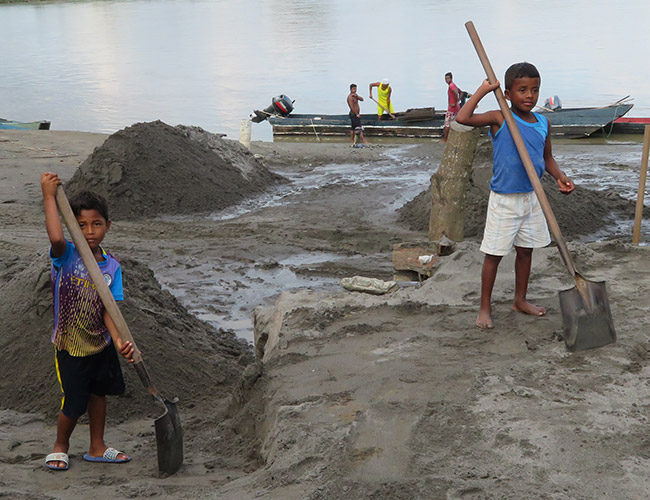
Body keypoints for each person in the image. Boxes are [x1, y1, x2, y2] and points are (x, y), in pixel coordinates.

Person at [455, 62, 575, 330]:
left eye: (534, 89)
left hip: (532, 197)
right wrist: (482, 91)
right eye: (522, 90)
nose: (529, 96)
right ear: (508, 94)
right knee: (494, 254)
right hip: (505, 199)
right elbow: (462, 119)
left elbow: (547, 158)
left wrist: (560, 176)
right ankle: (484, 307)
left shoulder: (544, 122)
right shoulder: (500, 118)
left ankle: (519, 300)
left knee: (525, 250)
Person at [41, 172, 135, 471]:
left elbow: (110, 308)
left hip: (101, 344)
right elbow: (55, 236)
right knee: (75, 402)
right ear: (72, 227)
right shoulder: (66, 255)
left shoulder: (112, 266)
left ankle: (97, 446)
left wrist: (119, 341)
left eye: (96, 224)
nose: (90, 231)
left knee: (99, 395)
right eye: (81, 225)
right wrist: (48, 196)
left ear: (107, 225)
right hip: (71, 345)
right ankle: (61, 445)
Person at [443, 72, 462, 142]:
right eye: (445, 79)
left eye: (448, 78)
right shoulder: (453, 85)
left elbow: (456, 92)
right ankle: (452, 138)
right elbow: (461, 92)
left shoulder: (451, 86)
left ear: (451, 78)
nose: (446, 80)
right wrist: (458, 100)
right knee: (453, 123)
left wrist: (455, 101)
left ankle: (445, 139)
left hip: (452, 108)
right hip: (456, 108)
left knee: (447, 124)